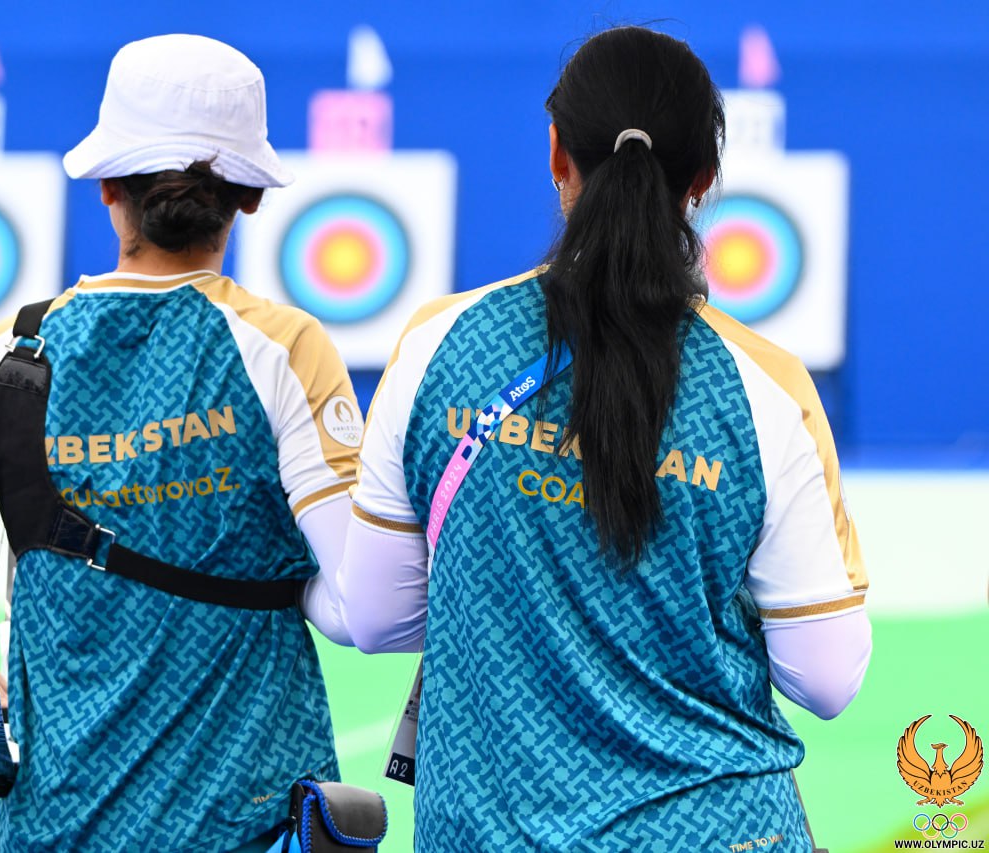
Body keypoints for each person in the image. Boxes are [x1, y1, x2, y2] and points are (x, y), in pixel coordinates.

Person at [0, 34, 362, 852]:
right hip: (248, 823)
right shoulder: (284, 348)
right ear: (248, 198)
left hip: (55, 827)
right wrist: (290, 587)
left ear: (106, 187)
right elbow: (363, 609)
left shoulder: (9, 358)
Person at [339, 26, 871, 852]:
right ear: (704, 178)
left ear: (557, 152)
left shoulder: (440, 345)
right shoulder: (767, 389)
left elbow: (376, 618)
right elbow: (828, 677)